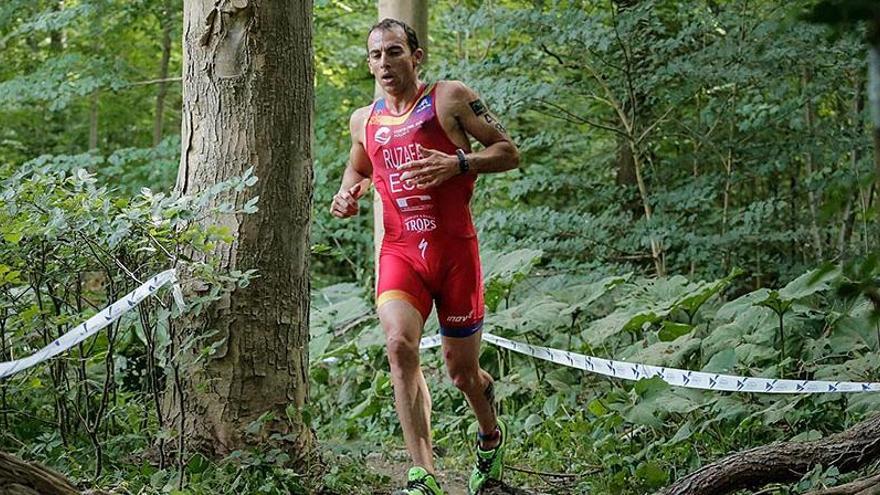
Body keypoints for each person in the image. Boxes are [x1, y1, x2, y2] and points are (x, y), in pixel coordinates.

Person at [330, 18, 520, 495]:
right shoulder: (364, 119)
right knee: (399, 347)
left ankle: (489, 436)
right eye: (375, 55)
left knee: (462, 373)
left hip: (454, 254)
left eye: (394, 52)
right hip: (400, 254)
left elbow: (508, 152)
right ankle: (424, 474)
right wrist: (346, 196)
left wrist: (458, 162)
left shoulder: (449, 98)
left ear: (416, 57)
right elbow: (356, 170)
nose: (383, 62)